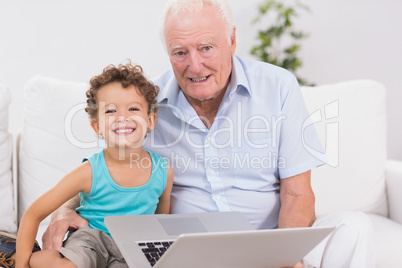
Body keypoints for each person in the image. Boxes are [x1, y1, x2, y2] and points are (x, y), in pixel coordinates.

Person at [42, 0, 376, 267]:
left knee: (355, 228)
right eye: (180, 52)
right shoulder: (146, 105)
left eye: (206, 48)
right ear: (169, 54)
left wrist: (287, 260)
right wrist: (62, 212)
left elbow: (298, 193)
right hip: (189, 252)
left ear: (231, 40)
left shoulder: (277, 87)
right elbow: (103, 168)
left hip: (270, 240)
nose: (195, 66)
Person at [16, 63, 174, 268]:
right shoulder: (89, 172)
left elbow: (160, 223)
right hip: (91, 242)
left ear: (150, 121)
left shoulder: (163, 171)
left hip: (132, 248)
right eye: (110, 110)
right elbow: (33, 214)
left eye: (133, 108)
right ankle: (30, 258)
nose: (122, 117)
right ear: (96, 126)